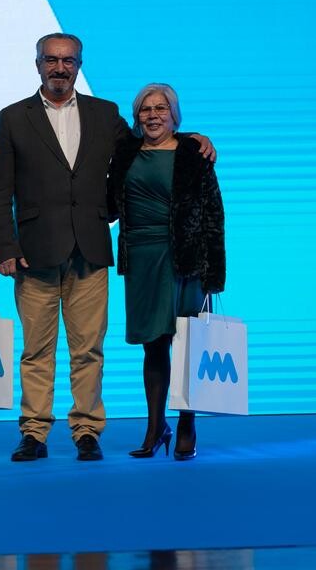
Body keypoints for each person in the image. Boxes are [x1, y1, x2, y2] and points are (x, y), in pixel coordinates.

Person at [0, 32, 214, 463]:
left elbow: (149, 140)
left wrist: (192, 137)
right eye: (51, 60)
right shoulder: (13, 117)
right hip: (33, 253)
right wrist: (4, 247)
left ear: (79, 65)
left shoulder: (104, 113)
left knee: (89, 350)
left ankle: (87, 431)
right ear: (38, 64)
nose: (59, 68)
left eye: (68, 60)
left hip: (89, 251)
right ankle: (34, 432)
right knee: (36, 351)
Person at [108, 83, 225, 461]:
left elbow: (213, 215)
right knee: (153, 345)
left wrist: (214, 275)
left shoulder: (194, 153)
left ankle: (187, 422)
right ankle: (155, 427)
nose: (153, 115)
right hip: (141, 259)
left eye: (161, 108)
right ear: (136, 116)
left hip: (186, 262)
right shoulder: (125, 153)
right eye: (146, 109)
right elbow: (109, 204)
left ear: (174, 116)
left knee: (188, 344)